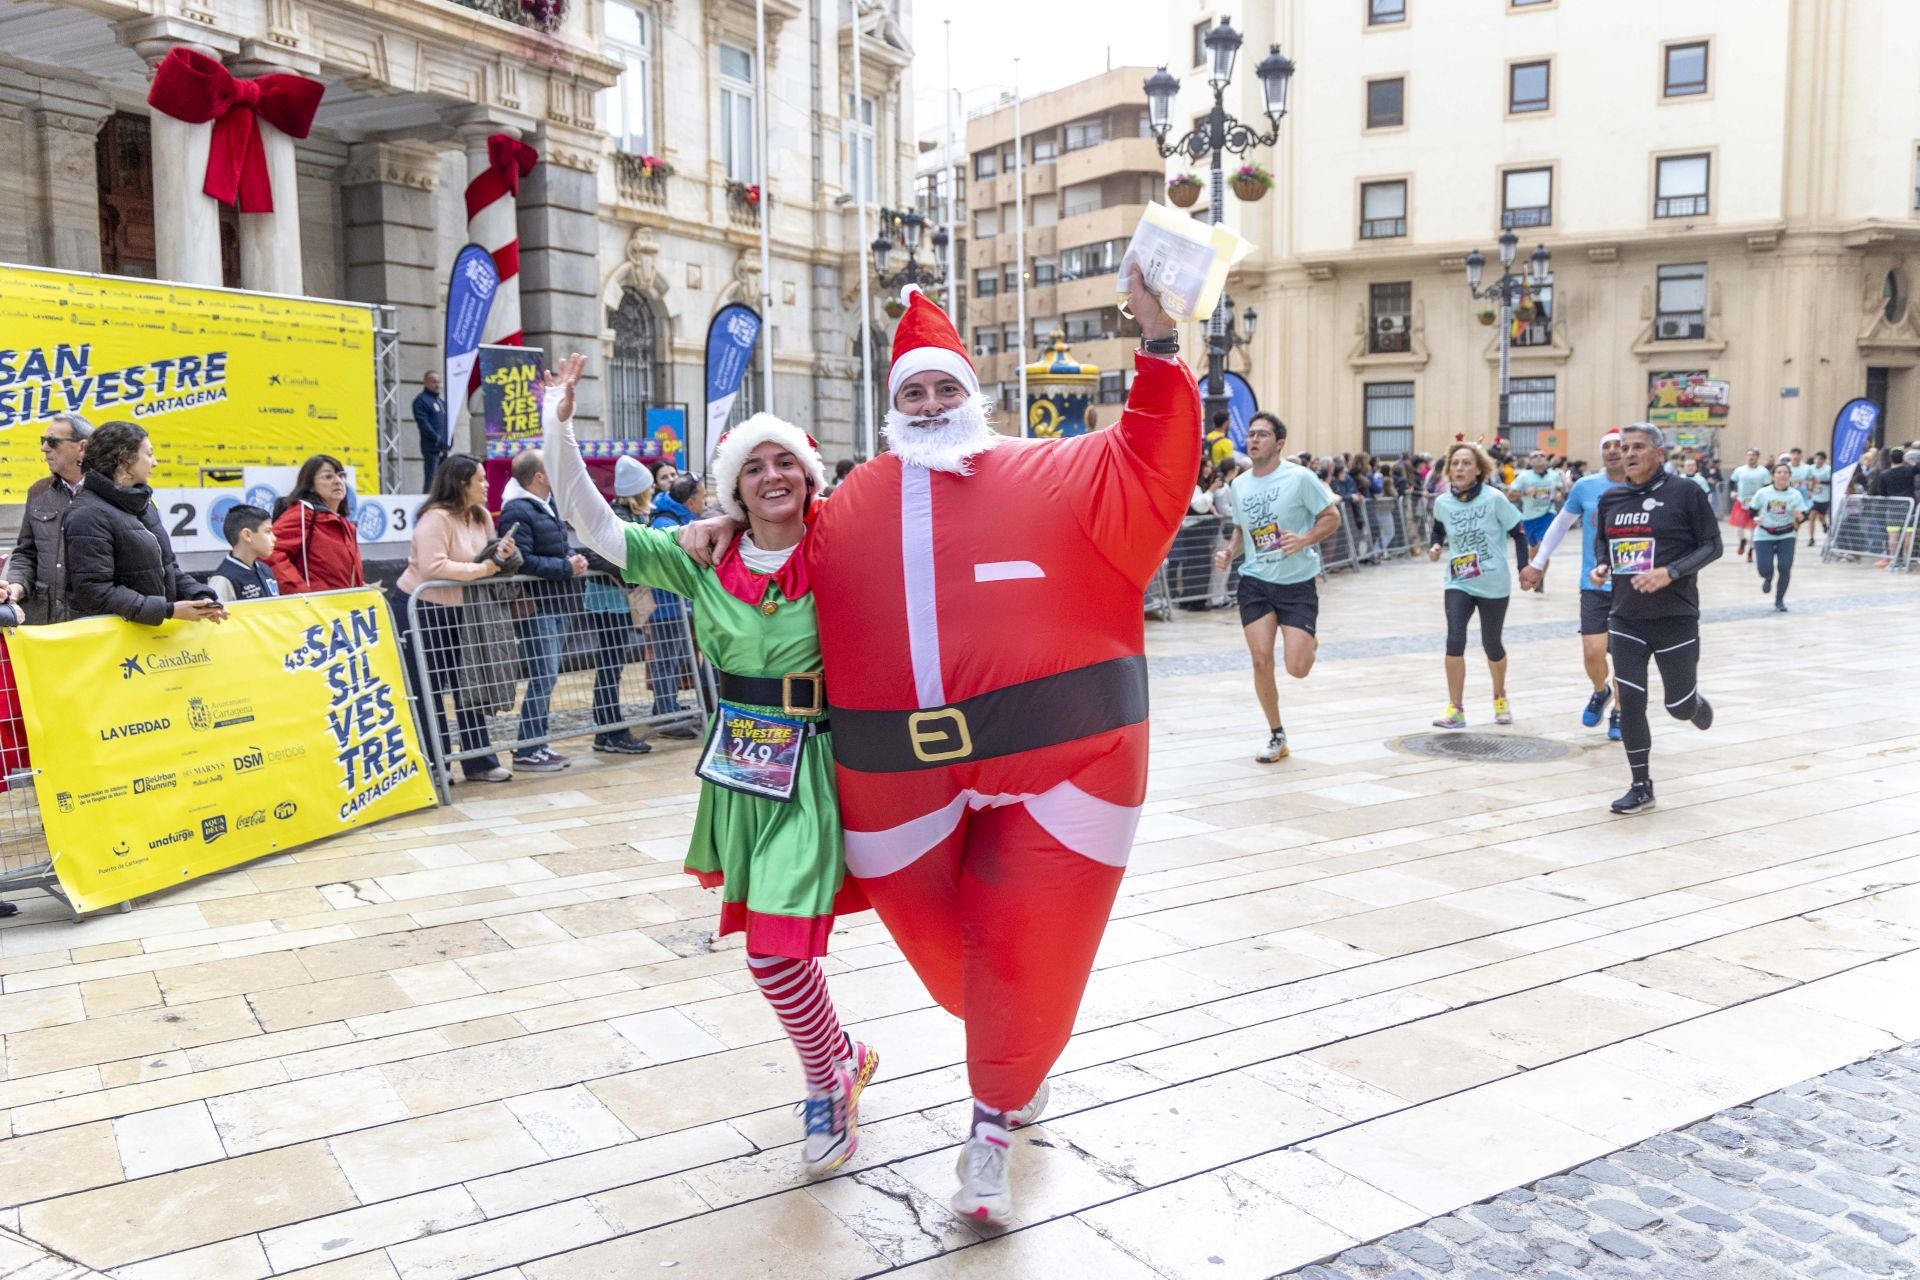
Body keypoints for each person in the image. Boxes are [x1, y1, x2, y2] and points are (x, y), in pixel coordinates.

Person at [544, 354, 880, 1177]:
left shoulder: (847, 544)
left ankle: (825, 1082)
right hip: (742, 765)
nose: (772, 476)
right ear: (732, 489)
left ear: (808, 476)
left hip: (821, 764)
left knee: (773, 951)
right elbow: (600, 530)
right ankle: (843, 1056)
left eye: (786, 463)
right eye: (753, 466)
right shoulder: (703, 557)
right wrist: (558, 430)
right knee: (775, 947)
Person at [1590, 423, 1721, 815]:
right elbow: (1604, 540)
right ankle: (1641, 785)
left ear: (1659, 453)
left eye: (1638, 447)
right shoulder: (1612, 498)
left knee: (1676, 706)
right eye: (1623, 447)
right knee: (1630, 700)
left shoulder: (1686, 493)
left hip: (1675, 616)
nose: (1627, 454)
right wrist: (1602, 564)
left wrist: (1672, 572)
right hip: (1626, 616)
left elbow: (1713, 545)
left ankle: (1693, 703)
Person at [1214, 412, 1341, 762]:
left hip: (1296, 582)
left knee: (1297, 668)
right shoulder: (1238, 485)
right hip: (1255, 581)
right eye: (1251, 434)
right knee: (1260, 660)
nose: (1254, 440)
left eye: (1263, 435)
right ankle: (1276, 734)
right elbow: (1241, 529)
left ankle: (1307, 641)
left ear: (1279, 443)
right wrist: (1228, 551)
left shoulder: (1299, 478)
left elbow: (1331, 517)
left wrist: (1303, 540)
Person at [397, 455, 519, 784]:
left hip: (463, 611)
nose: (486, 484)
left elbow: (485, 556)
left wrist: (500, 556)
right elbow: (432, 567)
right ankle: (435, 763)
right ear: (460, 483)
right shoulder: (435, 518)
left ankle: (479, 761)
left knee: (469, 683)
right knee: (429, 688)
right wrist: (483, 570)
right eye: (479, 479)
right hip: (424, 608)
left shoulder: (480, 517)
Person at [63, 421, 226, 627]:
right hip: (115, 645)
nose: (155, 462)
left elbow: (169, 569)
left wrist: (202, 597)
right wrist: (168, 610)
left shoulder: (144, 505)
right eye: (148, 454)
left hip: (154, 639)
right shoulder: (86, 514)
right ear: (125, 460)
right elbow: (94, 591)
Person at [1521, 431, 1627, 740]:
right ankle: (1600, 690)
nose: (1612, 451)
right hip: (1593, 582)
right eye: (1606, 446)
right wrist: (1538, 564)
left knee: (1624, 655)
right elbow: (1560, 525)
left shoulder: (1641, 486)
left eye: (1618, 446)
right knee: (1593, 653)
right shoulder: (1586, 487)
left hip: (1633, 585)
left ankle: (1621, 711)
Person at [499, 450, 588, 773]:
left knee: (547, 678)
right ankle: (528, 746)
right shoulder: (517, 510)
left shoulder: (544, 506)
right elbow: (521, 560)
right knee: (543, 676)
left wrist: (572, 559)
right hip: (538, 607)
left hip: (556, 603)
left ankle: (537, 741)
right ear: (539, 476)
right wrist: (565, 567)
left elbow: (552, 547)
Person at [1429, 442, 1528, 729]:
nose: (1459, 468)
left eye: (1466, 463)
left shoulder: (1494, 498)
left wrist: (1524, 568)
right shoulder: (1443, 502)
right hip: (1458, 580)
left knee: (1491, 643)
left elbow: (1518, 533)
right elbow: (1437, 527)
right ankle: (1455, 708)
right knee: (1455, 638)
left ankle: (1500, 696)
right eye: (1455, 463)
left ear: (1479, 469)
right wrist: (1435, 545)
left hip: (1493, 580)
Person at [576, 457, 655, 755]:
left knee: (612, 666)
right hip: (608, 601)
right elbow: (594, 554)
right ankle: (611, 729)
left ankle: (607, 730)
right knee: (610, 667)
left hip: (617, 600)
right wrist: (630, 568)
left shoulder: (633, 516)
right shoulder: (616, 515)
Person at [5, 414, 90, 625]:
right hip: (43, 623)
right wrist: (15, 587)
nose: (44, 448)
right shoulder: (38, 492)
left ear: (82, 447)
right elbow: (26, 553)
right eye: (42, 441)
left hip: (93, 625)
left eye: (52, 442)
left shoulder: (110, 494)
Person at [644, 476, 707, 737]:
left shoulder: (678, 517)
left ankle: (665, 706)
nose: (706, 500)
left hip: (679, 604)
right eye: (703, 495)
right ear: (690, 501)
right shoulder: (666, 523)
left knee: (675, 657)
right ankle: (666, 716)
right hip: (667, 606)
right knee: (666, 660)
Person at [268, 454, 366, 594]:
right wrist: (301, 592)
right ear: (311, 486)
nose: (338, 481)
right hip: (316, 610)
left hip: (343, 608)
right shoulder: (302, 514)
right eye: (328, 476)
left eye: (341, 475)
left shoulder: (344, 524)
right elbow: (269, 551)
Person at [1748, 460, 1808, 612]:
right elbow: (1752, 510)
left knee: (1785, 567)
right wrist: (1755, 518)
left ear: (1789, 476)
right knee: (1764, 568)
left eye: (1785, 472)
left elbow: (1803, 514)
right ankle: (1768, 577)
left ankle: (1779, 600)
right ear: (1773, 476)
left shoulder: (1795, 495)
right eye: (1779, 472)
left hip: (1786, 535)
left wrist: (1800, 517)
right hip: (1764, 534)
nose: (1782, 475)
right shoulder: (1763, 493)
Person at [207, 505, 281, 603]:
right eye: (267, 532)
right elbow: (215, 617)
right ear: (247, 535)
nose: (274, 538)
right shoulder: (223, 580)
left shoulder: (265, 570)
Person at [1509, 449, 1562, 562]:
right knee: (1534, 549)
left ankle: (1541, 576)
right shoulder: (1524, 476)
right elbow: (1510, 495)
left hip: (1548, 514)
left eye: (1542, 455)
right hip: (1530, 517)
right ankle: (1537, 573)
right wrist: (1525, 493)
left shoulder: (1554, 475)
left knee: (1543, 547)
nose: (1539, 458)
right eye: (1535, 456)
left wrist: (1558, 493)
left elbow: (1559, 489)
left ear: (1546, 460)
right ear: (1530, 461)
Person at [1728, 447, 1771, 562]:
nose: (1751, 457)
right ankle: (1742, 540)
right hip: (1742, 501)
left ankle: (1751, 551)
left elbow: (1767, 487)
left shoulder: (1763, 472)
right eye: (1749, 455)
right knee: (1739, 526)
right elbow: (1732, 482)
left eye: (1753, 455)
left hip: (1756, 504)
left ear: (1757, 457)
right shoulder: (1740, 470)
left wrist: (1765, 500)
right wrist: (1732, 491)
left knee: (1753, 529)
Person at [413, 371, 447, 491]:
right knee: (431, 479)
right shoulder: (421, 401)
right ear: (426, 382)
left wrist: (449, 439)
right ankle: (427, 503)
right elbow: (423, 423)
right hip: (431, 448)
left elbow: (448, 422)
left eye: (438, 382)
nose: (437, 385)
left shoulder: (441, 402)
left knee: (444, 481)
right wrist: (436, 438)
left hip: (444, 447)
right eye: (433, 382)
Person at [1807, 450, 1832, 546]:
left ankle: (1824, 524)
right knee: (1812, 516)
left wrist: (1820, 481)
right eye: (1816, 458)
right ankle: (1811, 538)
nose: (1818, 461)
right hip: (1814, 498)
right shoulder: (1810, 468)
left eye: (1820, 459)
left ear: (1824, 460)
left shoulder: (1828, 469)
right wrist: (1809, 488)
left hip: (1824, 498)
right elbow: (1808, 480)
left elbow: (1831, 482)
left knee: (1821, 517)